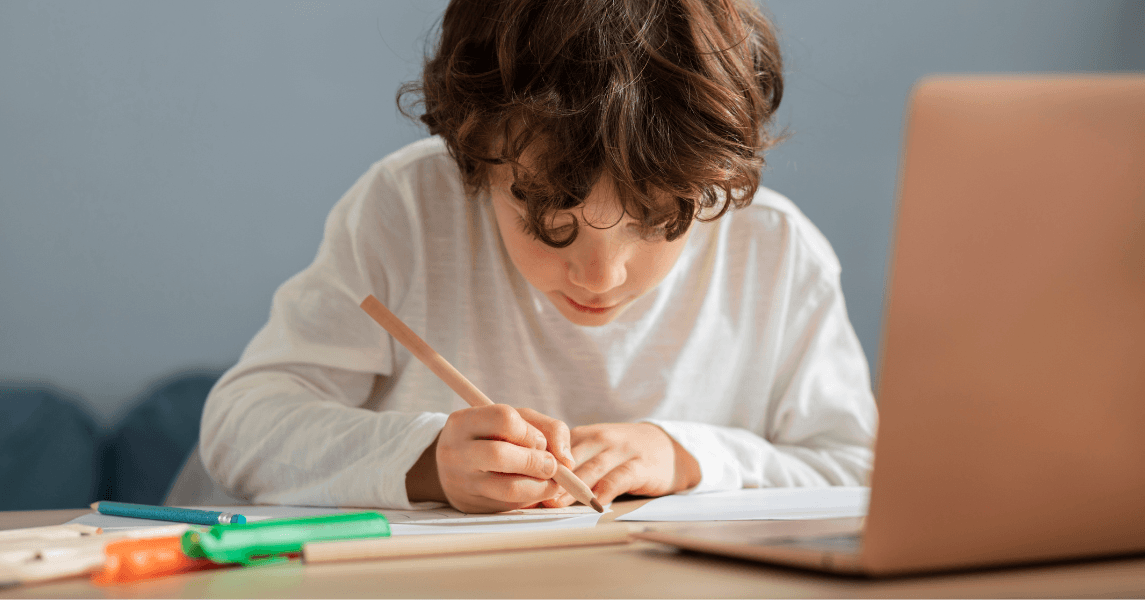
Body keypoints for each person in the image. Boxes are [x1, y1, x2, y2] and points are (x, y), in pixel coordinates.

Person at [200, 0, 878, 514]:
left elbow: (859, 468)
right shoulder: (408, 211)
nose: (602, 276)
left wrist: (690, 458)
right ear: (472, 154)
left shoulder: (776, 252)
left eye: (656, 220)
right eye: (552, 222)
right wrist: (427, 461)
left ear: (713, 180)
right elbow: (240, 427)